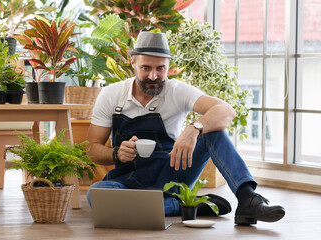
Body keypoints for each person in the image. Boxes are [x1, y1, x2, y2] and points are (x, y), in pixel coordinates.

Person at [86, 31, 285, 225]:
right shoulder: (111, 95)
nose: (153, 76)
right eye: (146, 68)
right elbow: (91, 149)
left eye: (160, 69)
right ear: (133, 64)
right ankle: (187, 206)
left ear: (168, 67)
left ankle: (248, 199)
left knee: (212, 133)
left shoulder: (177, 91)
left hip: (173, 177)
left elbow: (226, 111)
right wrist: (116, 154)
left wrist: (194, 129)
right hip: (127, 181)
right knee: (96, 194)